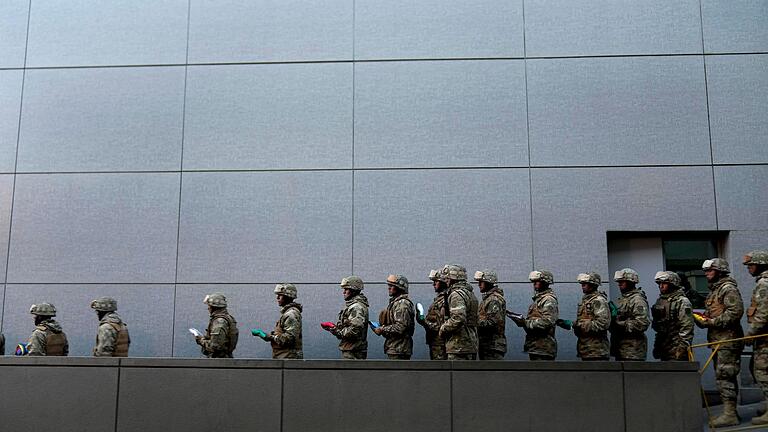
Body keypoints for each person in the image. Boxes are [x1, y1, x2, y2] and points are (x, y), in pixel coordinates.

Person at [694, 258, 744, 427]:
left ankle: (730, 414)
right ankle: (730, 411)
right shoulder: (716, 290)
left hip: (727, 341)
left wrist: (712, 322)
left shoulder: (727, 289)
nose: (706, 274)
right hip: (719, 341)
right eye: (706, 271)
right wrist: (703, 319)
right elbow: (716, 313)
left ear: (720, 271)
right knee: (724, 376)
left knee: (725, 376)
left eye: (710, 270)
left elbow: (735, 312)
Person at [742, 250, 768, 425]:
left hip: (765, 338)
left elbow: (764, 313)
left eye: (751, 265)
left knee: (763, 373)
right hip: (764, 337)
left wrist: (750, 333)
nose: (749, 268)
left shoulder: (764, 284)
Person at [510, 270, 558, 360]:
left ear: (545, 282)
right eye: (534, 281)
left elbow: (547, 322)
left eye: (537, 281)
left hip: (544, 348)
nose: (534, 284)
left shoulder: (548, 300)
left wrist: (526, 323)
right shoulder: (538, 300)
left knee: (543, 374)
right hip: (535, 347)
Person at [438, 264, 479, 360]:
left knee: (457, 374)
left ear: (453, 278)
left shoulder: (456, 294)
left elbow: (458, 319)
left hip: (459, 345)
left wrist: (443, 329)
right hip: (469, 344)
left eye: (448, 278)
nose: (446, 280)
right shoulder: (469, 293)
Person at [651, 271, 694, 361]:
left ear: (672, 284)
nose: (661, 286)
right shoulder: (660, 300)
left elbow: (686, 328)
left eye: (664, 283)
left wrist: (681, 350)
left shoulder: (682, 302)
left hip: (677, 348)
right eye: (659, 283)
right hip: (664, 347)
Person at [610, 268, 650, 361]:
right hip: (621, 348)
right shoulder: (622, 299)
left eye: (622, 281)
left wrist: (619, 323)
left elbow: (642, 323)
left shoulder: (637, 300)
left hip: (633, 351)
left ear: (631, 282)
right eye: (619, 282)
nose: (619, 284)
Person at [254, 283, 303, 359]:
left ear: (288, 296)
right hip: (285, 358)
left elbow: (289, 339)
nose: (277, 298)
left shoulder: (291, 314)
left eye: (280, 295)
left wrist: (270, 337)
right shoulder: (288, 313)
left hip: (288, 359)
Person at [326, 276, 369, 359]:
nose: (344, 292)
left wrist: (336, 330)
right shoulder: (352, 305)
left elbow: (354, 331)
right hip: (351, 349)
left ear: (353, 291)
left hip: (353, 351)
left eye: (346, 289)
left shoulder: (356, 307)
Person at [373, 275, 415, 360]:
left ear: (399, 288)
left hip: (400, 349)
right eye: (389, 286)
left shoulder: (402, 304)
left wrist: (382, 329)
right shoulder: (396, 303)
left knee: (398, 373)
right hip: (396, 348)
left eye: (392, 286)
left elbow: (400, 327)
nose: (389, 288)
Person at [573, 272, 610, 361]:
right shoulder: (586, 301)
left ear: (593, 285)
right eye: (582, 284)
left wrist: (578, 325)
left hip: (597, 351)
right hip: (586, 349)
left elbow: (602, 324)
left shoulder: (598, 301)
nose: (582, 286)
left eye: (585, 284)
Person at [416, 269, 448, 360]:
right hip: (436, 343)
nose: (433, 284)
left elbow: (441, 326)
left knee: (440, 371)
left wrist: (424, 321)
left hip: (441, 344)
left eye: (436, 281)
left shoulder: (445, 300)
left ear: (443, 282)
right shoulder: (439, 300)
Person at [474, 269, 506, 360]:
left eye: (481, 282)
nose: (479, 284)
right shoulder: (488, 299)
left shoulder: (494, 299)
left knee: (493, 374)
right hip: (488, 345)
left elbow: (492, 323)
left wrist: (473, 322)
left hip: (493, 346)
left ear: (488, 282)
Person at [195, 293, 238, 358]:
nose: (208, 308)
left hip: (219, 362)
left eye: (209, 306)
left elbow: (215, 346)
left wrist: (201, 340)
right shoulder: (225, 319)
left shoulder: (220, 322)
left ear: (214, 307)